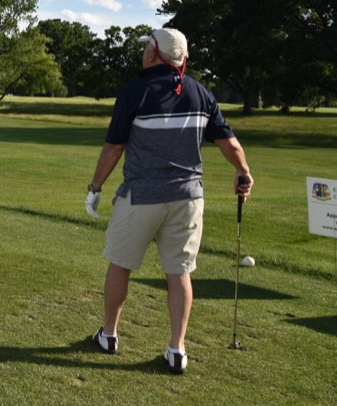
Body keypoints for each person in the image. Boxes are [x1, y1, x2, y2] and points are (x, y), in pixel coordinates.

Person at [84, 28, 252, 374]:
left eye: (147, 47)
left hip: (142, 197)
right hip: (188, 199)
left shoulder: (134, 92)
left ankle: (109, 335)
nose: (144, 52)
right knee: (179, 274)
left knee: (120, 264)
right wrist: (243, 172)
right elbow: (231, 146)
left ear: (155, 54)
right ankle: (177, 350)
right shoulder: (202, 94)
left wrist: (95, 186)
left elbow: (114, 147)